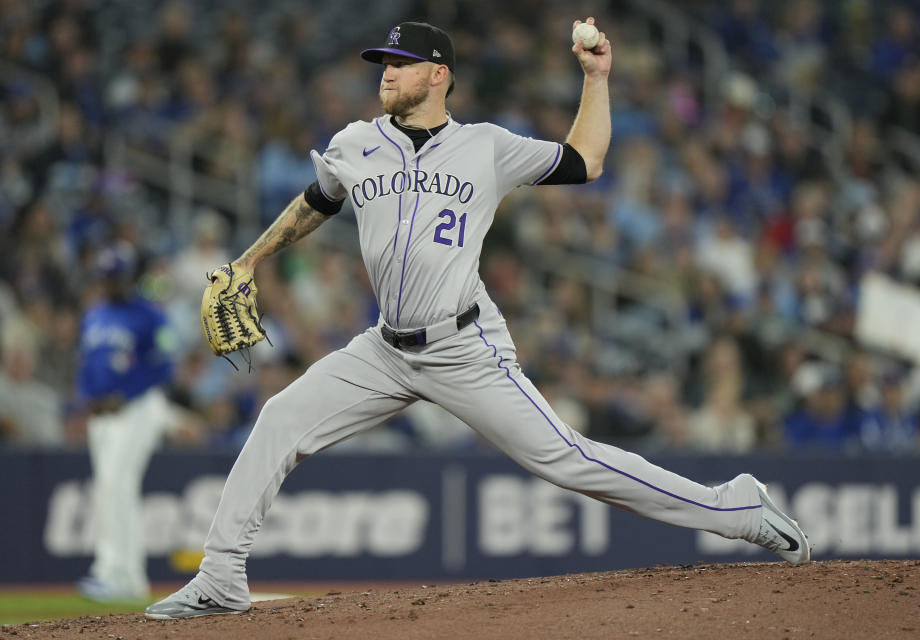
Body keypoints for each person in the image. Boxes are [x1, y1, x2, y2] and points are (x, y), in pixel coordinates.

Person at [146, 18, 809, 620]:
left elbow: (587, 160)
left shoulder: (486, 147)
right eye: (384, 61)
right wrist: (248, 260)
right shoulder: (355, 142)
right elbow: (318, 200)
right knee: (280, 418)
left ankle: (735, 508)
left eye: (401, 62)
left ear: (439, 75)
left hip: (463, 346)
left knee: (568, 459)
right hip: (384, 348)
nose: (387, 71)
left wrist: (596, 78)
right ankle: (221, 574)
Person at [76, 242, 178, 602]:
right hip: (101, 416)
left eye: (115, 277)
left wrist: (127, 393)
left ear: (128, 277)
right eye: (105, 277)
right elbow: (86, 364)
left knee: (118, 483)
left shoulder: (148, 314)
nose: (109, 284)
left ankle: (118, 573)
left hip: (137, 410)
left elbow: (165, 363)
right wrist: (85, 399)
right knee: (110, 489)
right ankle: (121, 575)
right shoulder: (94, 314)